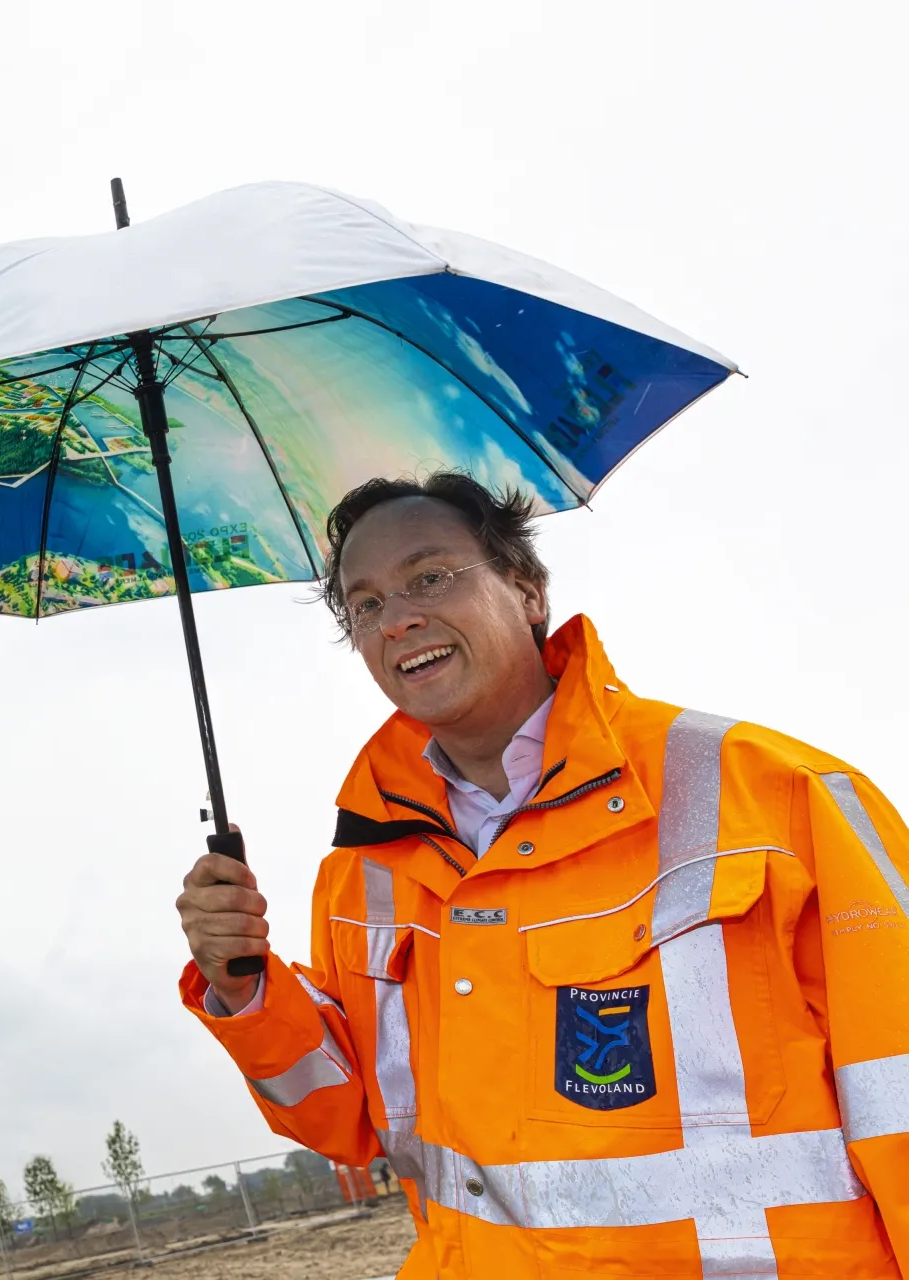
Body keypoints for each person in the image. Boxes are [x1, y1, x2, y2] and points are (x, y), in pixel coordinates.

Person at [176, 471, 909, 1277]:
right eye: (366, 604)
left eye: (430, 577)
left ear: (527, 590)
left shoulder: (777, 798)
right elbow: (348, 1121)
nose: (397, 618)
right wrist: (244, 987)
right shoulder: (361, 874)